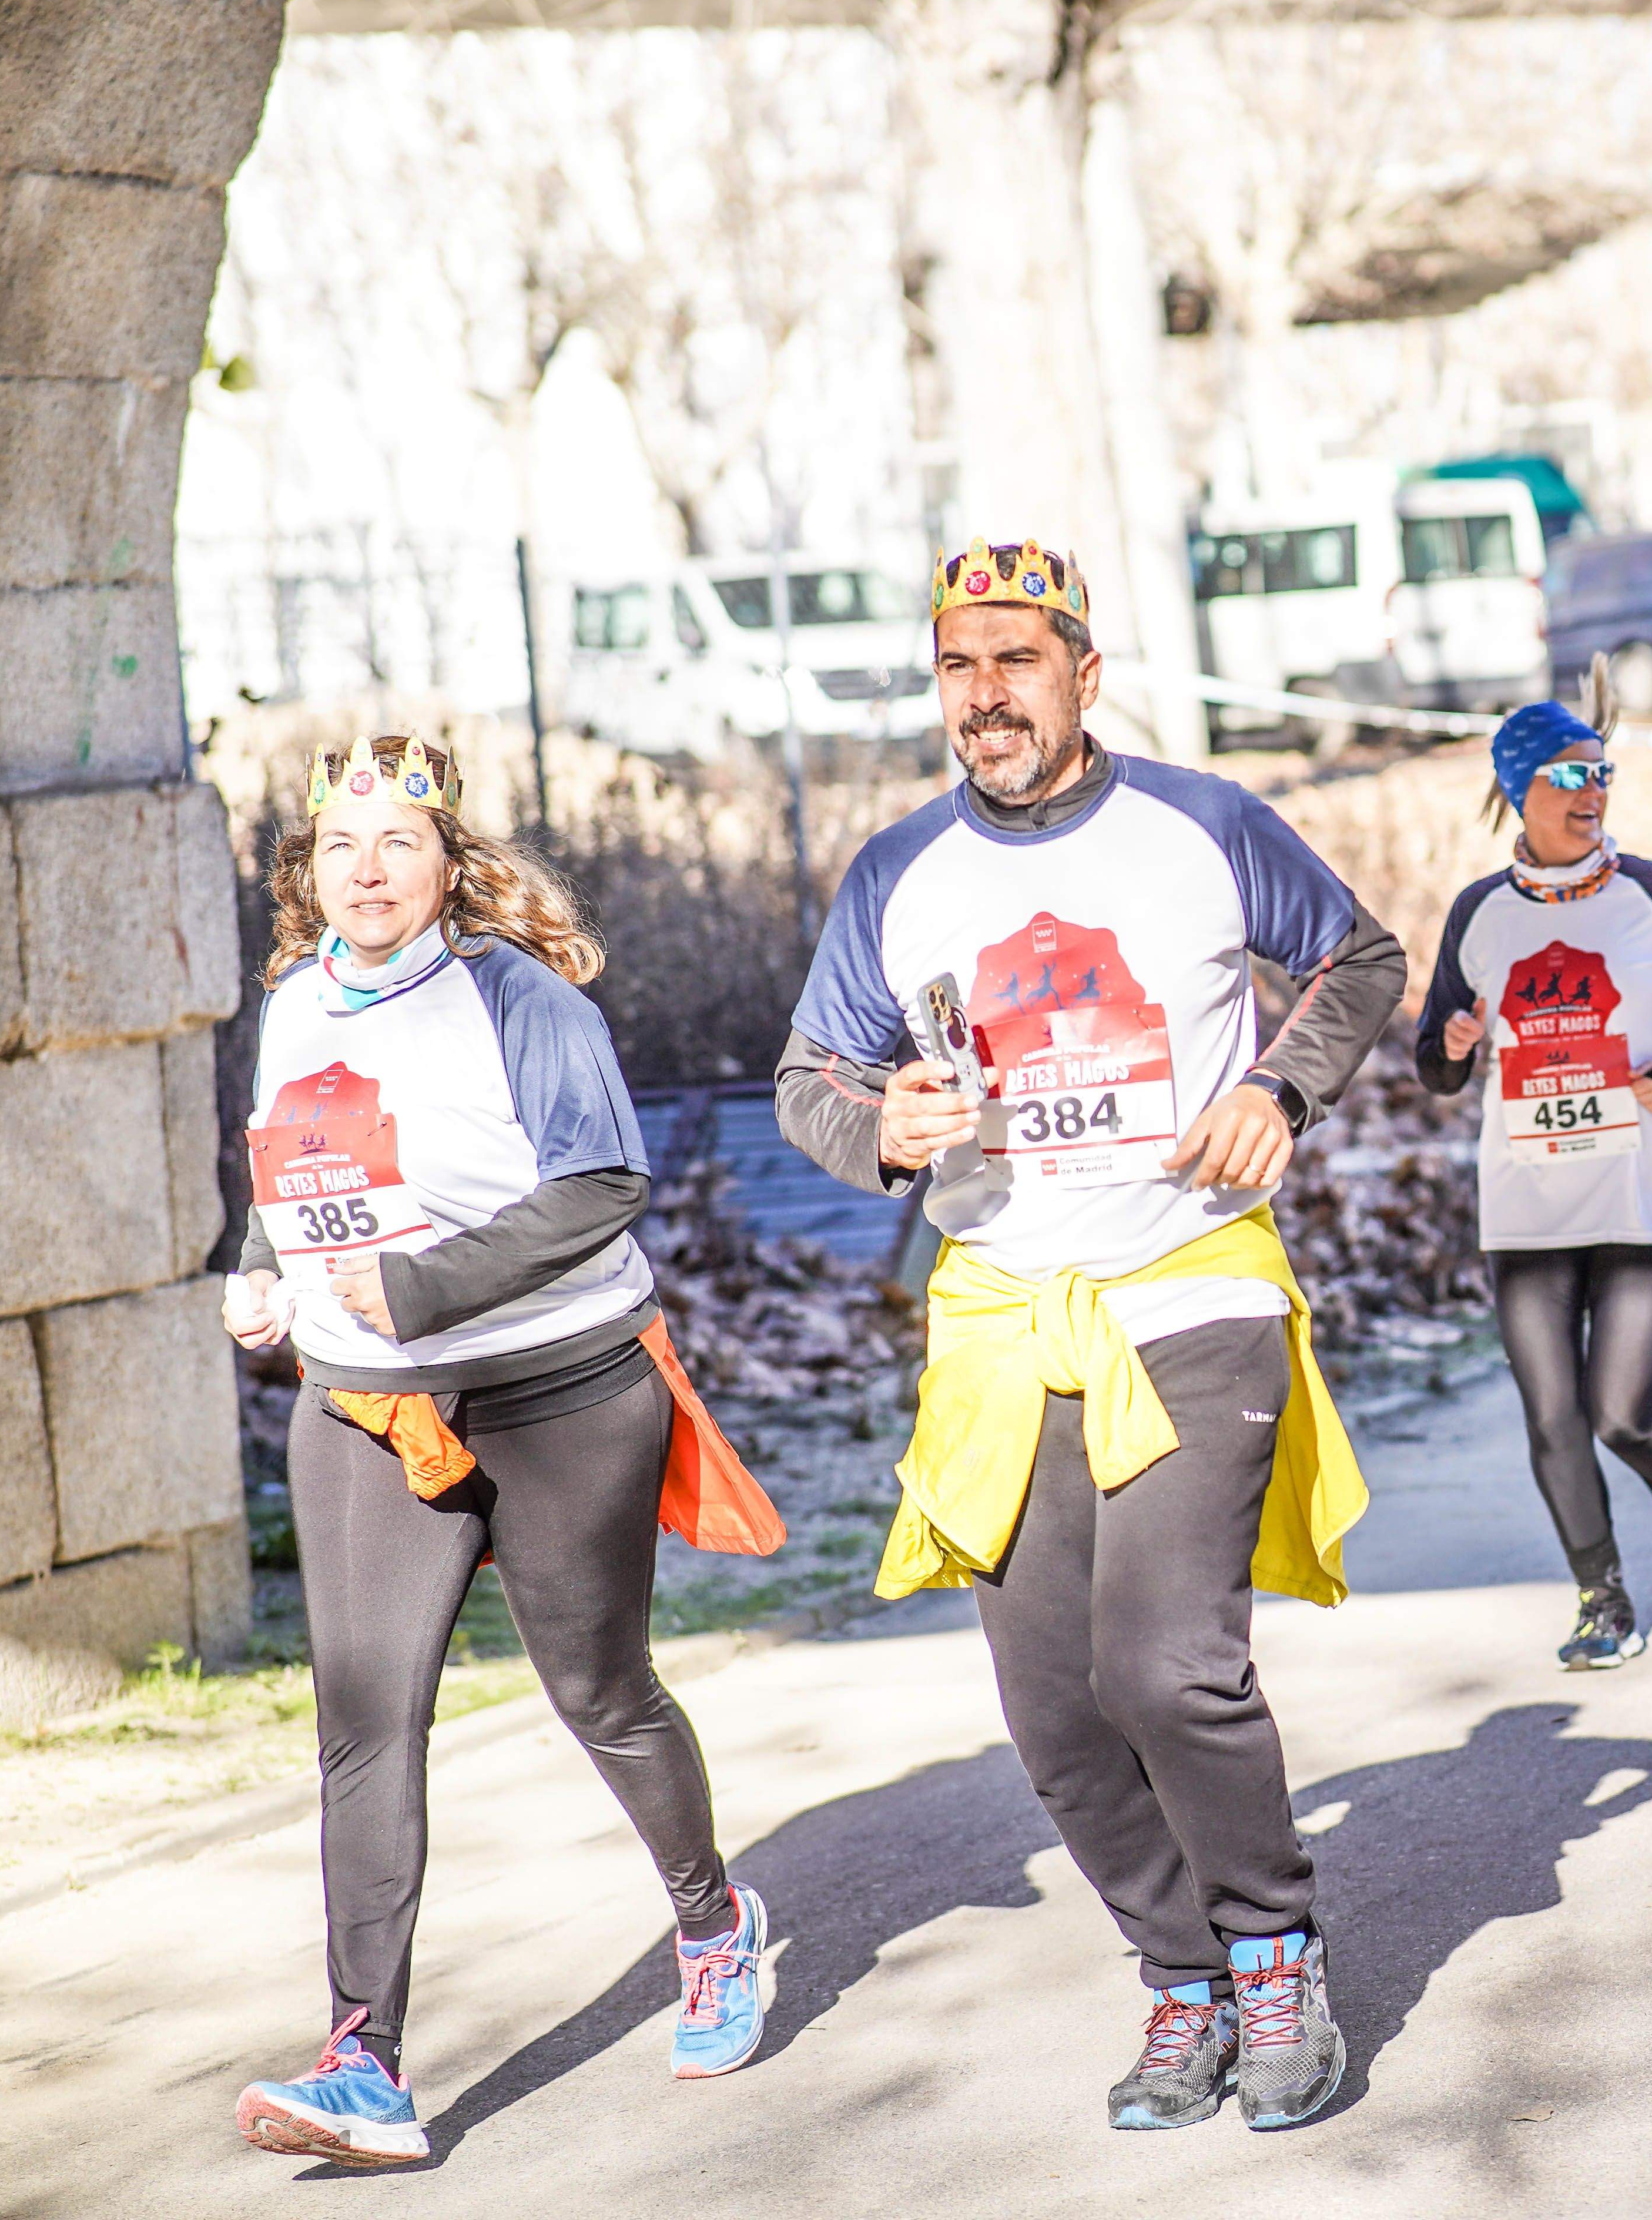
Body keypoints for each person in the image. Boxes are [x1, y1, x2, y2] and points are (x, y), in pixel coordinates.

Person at [773, 541, 1405, 2127]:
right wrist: (891, 1126)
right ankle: (1180, 1982)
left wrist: (1276, 1088)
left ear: (1083, 673)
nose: (985, 698)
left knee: (1168, 1670)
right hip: (998, 1320)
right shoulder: (898, 873)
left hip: (1189, 1289)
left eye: (1016, 664)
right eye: (958, 670)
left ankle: (1275, 1960)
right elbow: (811, 1085)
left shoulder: (1199, 826)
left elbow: (1362, 959)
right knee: (1054, 1712)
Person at [225, 735, 785, 2168]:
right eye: (340, 847)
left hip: (562, 1391)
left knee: (598, 1688)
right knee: (365, 1716)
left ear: (446, 866)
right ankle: (365, 2059)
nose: (368, 869)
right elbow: (293, 1164)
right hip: (368, 1405)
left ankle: (715, 1922)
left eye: (398, 844)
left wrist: (423, 1288)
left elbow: (604, 1179)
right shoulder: (290, 1001)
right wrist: (259, 1264)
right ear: (305, 873)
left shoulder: (517, 1000)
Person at [1415, 693, 1652, 1669]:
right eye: (1570, 774)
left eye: (1602, 771)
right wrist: (1451, 1043)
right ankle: (1600, 1599)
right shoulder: (1480, 913)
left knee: (1622, 1410)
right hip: (1526, 1208)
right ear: (1518, 789)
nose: (1593, 791)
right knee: (1553, 1416)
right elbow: (1435, 1065)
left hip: (1644, 1194)